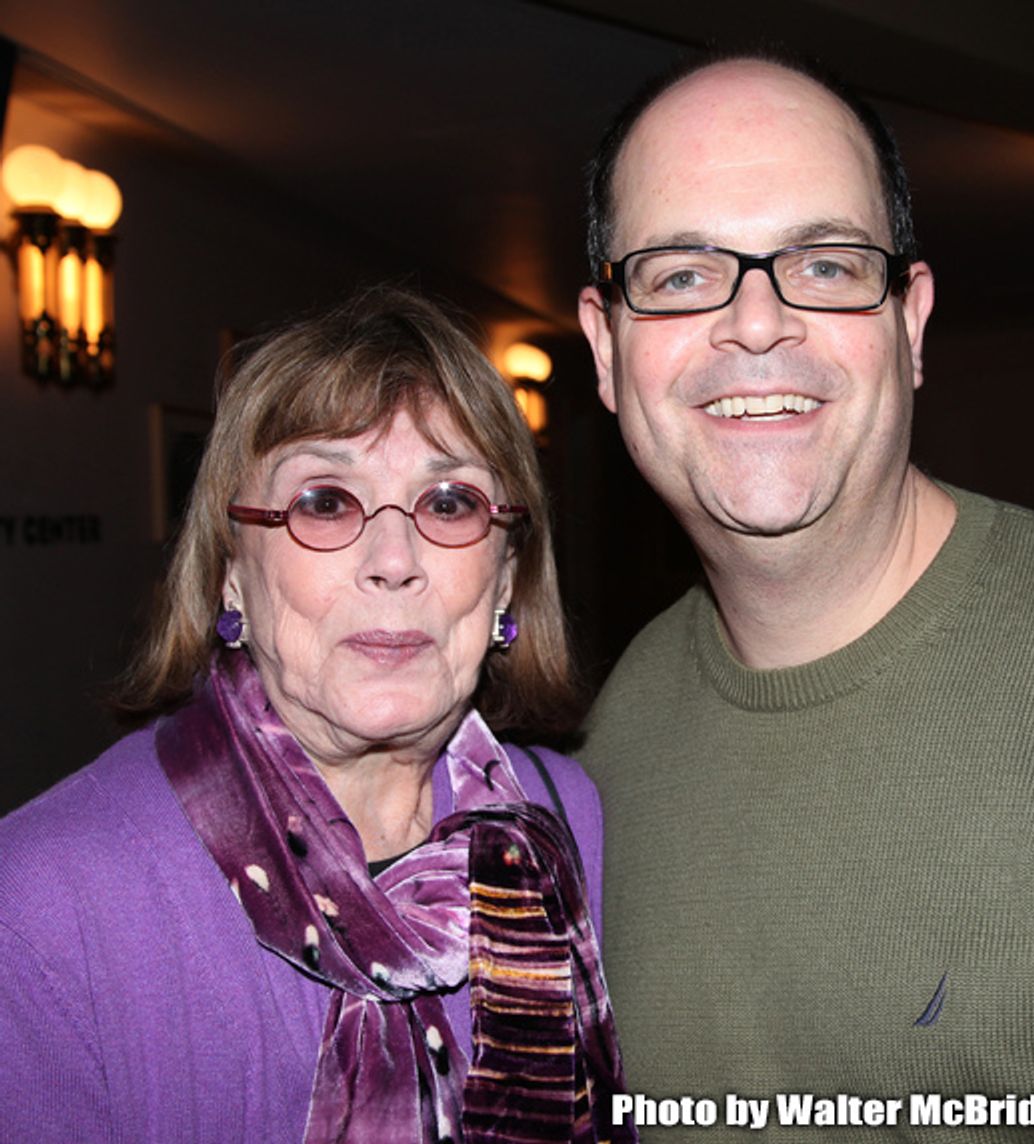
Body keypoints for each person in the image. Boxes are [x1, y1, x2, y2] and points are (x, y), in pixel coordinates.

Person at [577, 49, 1034, 1140]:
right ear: (604, 347)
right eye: (681, 274)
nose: (756, 324)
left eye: (823, 264)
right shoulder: (608, 741)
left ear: (909, 324)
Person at [0, 286, 632, 1143]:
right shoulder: (42, 902)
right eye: (324, 502)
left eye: (449, 503)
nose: (394, 560)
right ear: (231, 573)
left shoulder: (563, 820)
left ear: (508, 577)